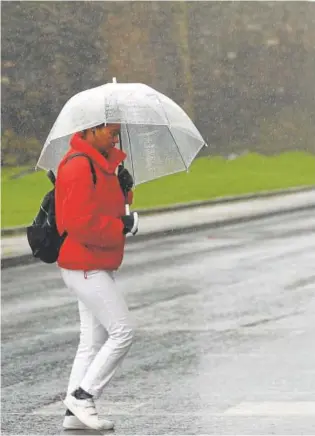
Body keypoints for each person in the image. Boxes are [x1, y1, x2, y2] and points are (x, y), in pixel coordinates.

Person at [55, 123, 138, 431]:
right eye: (110, 131)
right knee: (123, 332)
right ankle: (83, 396)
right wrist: (122, 226)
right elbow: (78, 221)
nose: (115, 137)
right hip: (85, 263)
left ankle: (73, 415)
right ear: (89, 129)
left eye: (117, 132)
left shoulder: (100, 165)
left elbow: (105, 206)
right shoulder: (79, 165)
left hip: (93, 261)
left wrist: (124, 189)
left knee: (92, 342)